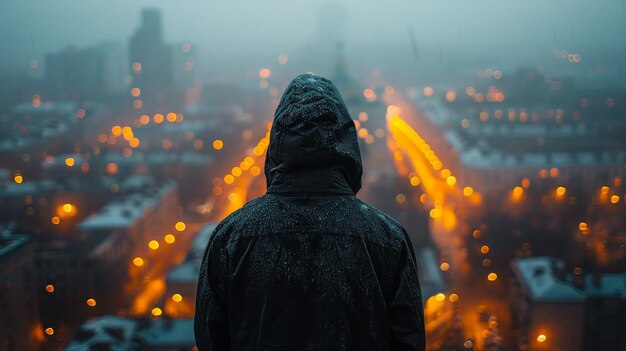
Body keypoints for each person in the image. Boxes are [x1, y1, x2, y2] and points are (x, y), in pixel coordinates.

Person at [195, 74, 425, 350]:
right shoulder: (386, 239)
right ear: (346, 143)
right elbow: (408, 339)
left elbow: (211, 338)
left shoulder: (232, 238)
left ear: (277, 144)